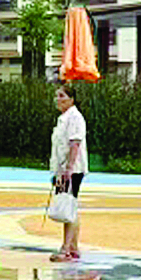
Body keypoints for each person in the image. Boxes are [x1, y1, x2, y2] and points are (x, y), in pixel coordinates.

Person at [48, 83, 88, 263]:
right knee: (70, 207)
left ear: (71, 99)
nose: (58, 99)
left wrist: (68, 169)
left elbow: (75, 143)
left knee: (67, 206)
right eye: (57, 96)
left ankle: (66, 249)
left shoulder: (75, 118)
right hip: (63, 169)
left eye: (62, 96)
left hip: (72, 169)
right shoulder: (63, 118)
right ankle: (73, 247)